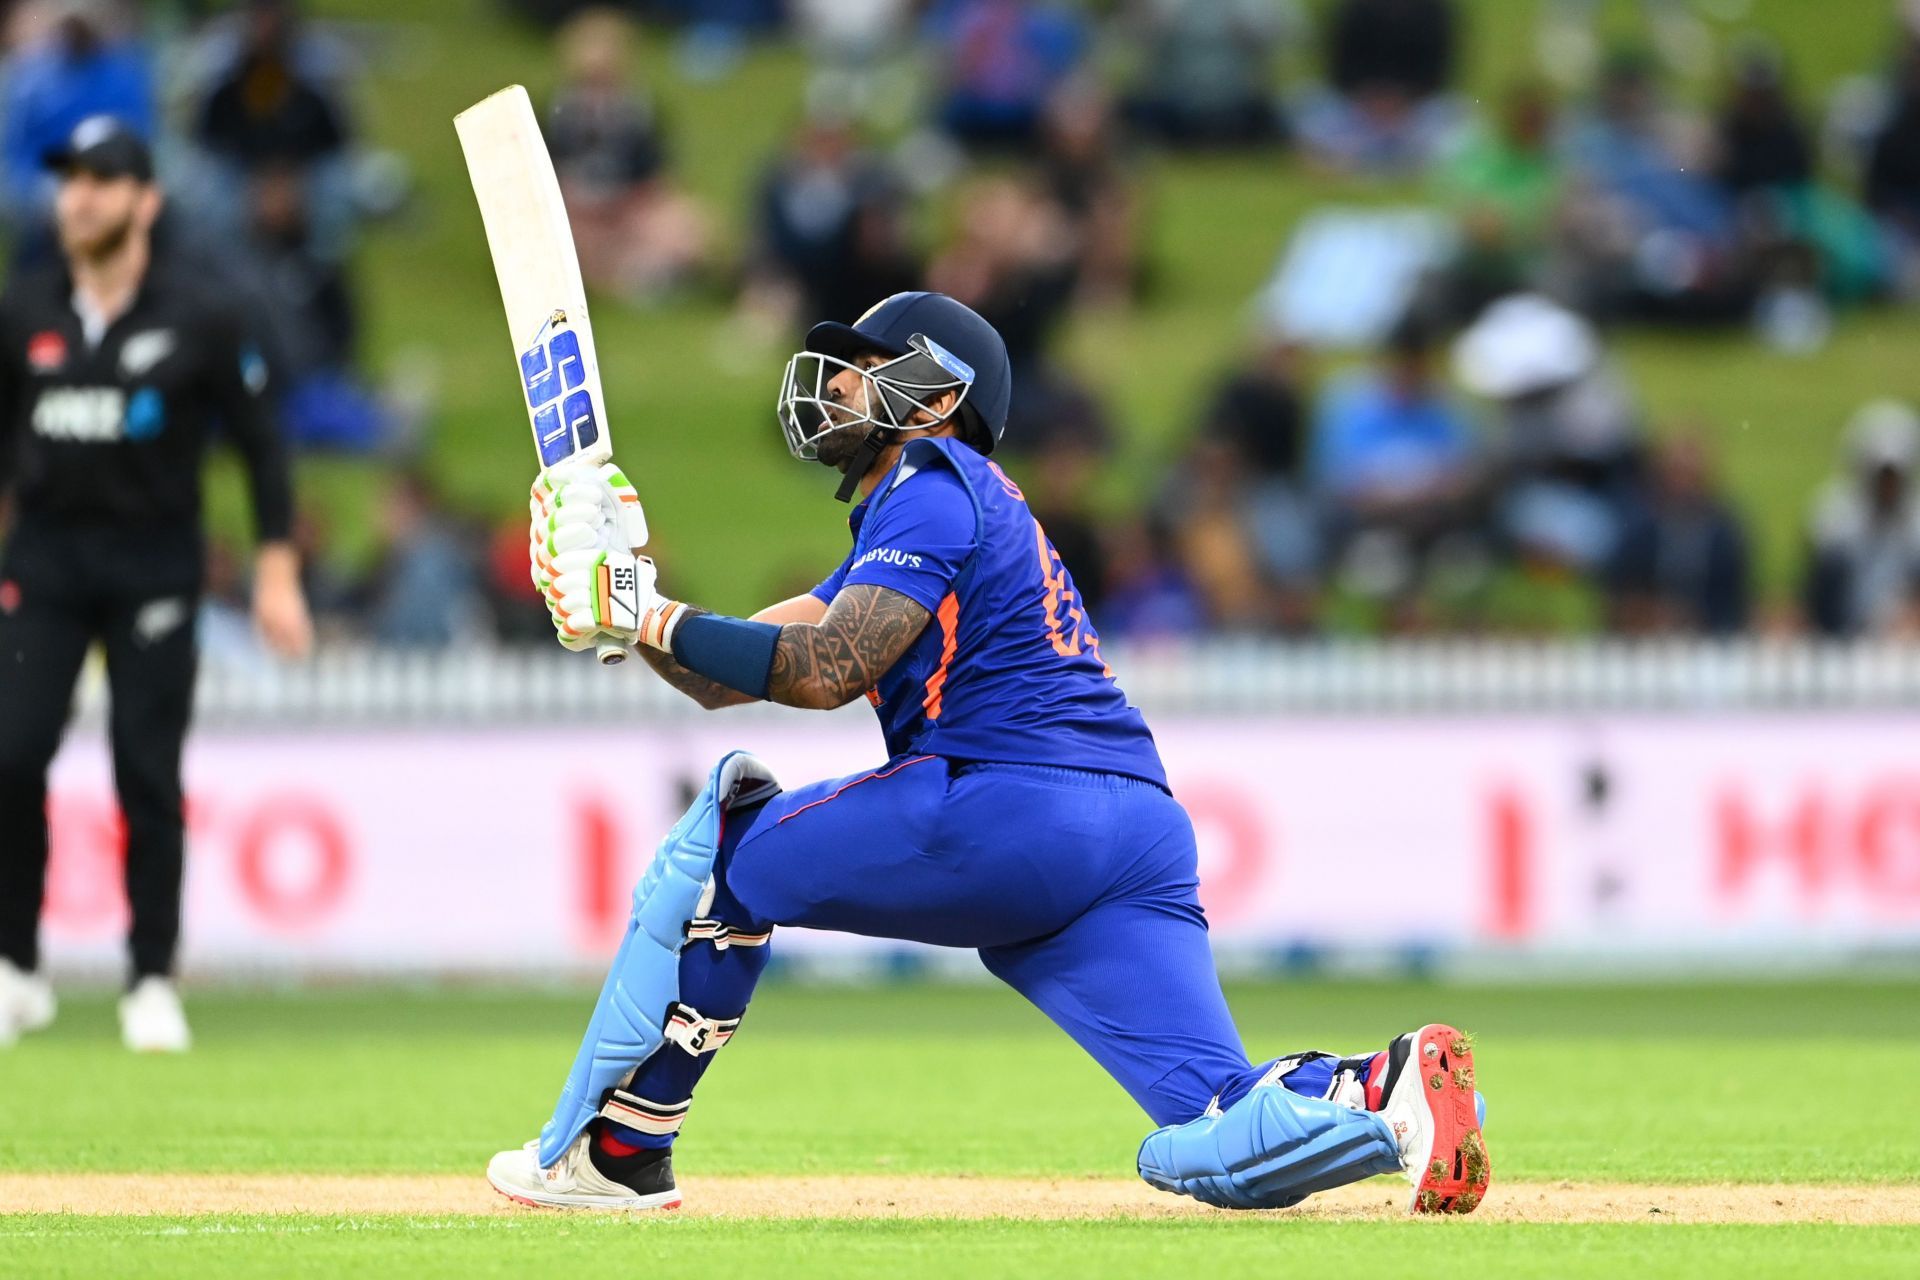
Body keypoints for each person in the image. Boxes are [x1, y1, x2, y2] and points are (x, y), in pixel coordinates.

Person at [485, 291, 1491, 1215]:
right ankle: (1383, 1089)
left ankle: (615, 1148)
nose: (835, 382)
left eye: (865, 363)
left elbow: (827, 666)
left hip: (1005, 803)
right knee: (1207, 1131)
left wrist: (643, 609)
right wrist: (627, 610)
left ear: (935, 395)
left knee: (722, 846)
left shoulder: (933, 479)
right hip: (1133, 831)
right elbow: (728, 668)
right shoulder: (938, 510)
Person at [0, 118, 311, 1052]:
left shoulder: (203, 315)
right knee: (12, 757)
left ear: (146, 201)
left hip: (154, 568)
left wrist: (277, 569)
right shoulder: (23, 309)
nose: (80, 196)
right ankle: (16, 970)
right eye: (70, 180)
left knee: (146, 770)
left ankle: (149, 977)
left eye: (102, 180)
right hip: (46, 562)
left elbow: (262, 448)